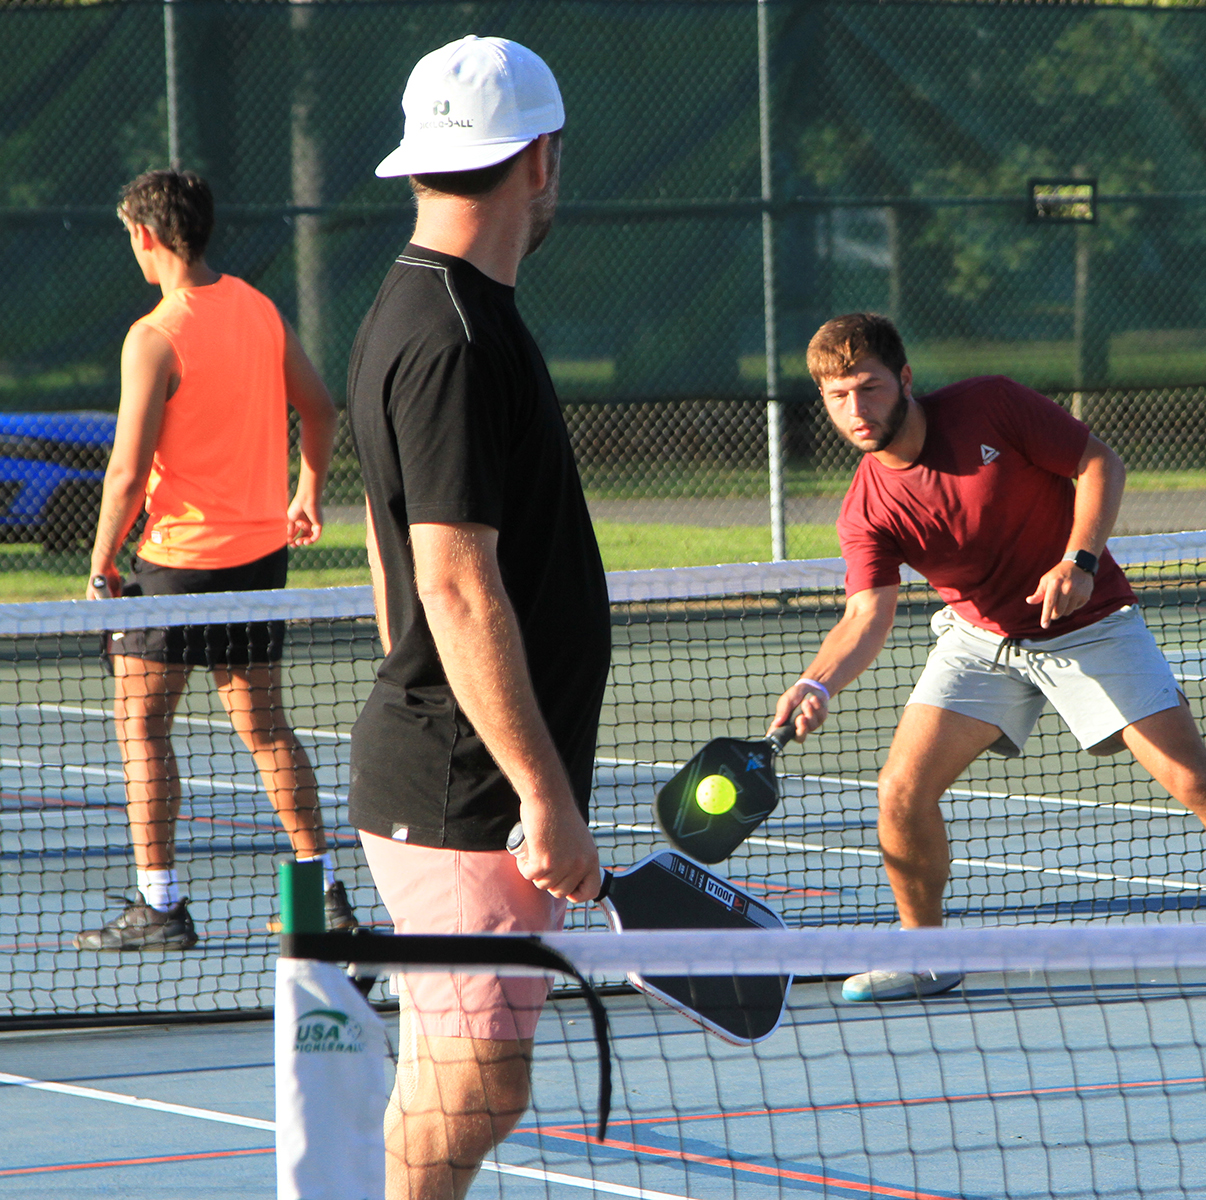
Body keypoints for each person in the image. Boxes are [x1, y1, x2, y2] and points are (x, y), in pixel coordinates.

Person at [769, 312, 1206, 1004]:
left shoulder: (990, 405)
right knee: (900, 791)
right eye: (838, 396)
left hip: (1090, 623)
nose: (856, 410)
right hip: (981, 640)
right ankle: (928, 956)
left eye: (870, 388)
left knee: (1194, 780)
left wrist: (1080, 559)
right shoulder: (866, 508)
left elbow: (1099, 463)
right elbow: (866, 614)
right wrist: (816, 683)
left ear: (905, 379)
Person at [346, 36, 609, 1198]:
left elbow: (390, 544)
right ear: (540, 158)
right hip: (467, 792)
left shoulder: (435, 309)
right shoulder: (453, 336)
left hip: (463, 775)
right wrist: (543, 795)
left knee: (455, 1077)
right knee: (480, 1084)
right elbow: (452, 582)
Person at [77, 170, 350, 951]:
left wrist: (101, 566)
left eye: (131, 235)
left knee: (140, 726)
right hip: (259, 561)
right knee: (265, 729)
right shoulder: (260, 309)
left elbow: (126, 472)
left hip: (177, 567)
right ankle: (320, 896)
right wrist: (307, 493)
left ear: (147, 236)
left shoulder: (153, 335)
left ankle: (159, 905)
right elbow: (320, 408)